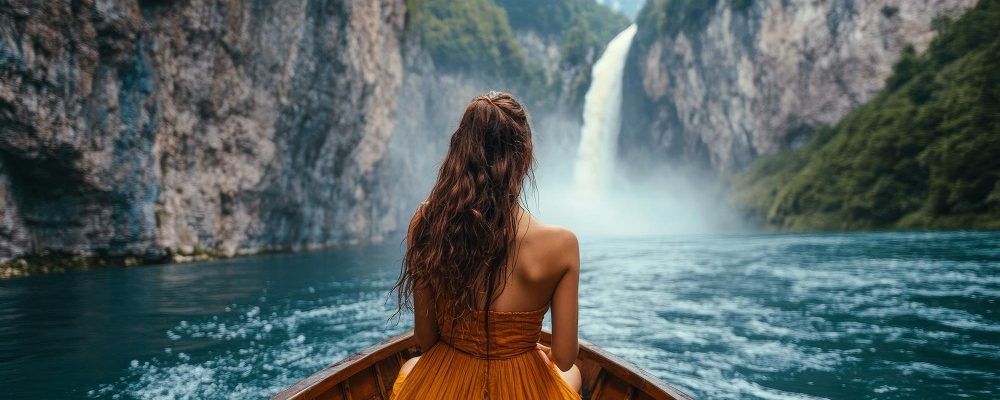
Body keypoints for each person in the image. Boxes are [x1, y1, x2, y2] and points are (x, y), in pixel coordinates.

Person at [389, 91, 583, 399]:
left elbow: (426, 339)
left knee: (411, 367)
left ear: (459, 151)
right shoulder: (562, 245)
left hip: (450, 373)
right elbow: (564, 357)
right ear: (524, 157)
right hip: (521, 380)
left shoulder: (426, 222)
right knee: (573, 374)